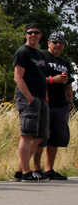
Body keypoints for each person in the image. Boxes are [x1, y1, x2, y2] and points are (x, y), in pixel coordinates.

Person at [13, 23, 50, 182]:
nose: (33, 35)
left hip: (42, 99)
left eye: (36, 32)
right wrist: (29, 98)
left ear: (41, 35)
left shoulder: (41, 54)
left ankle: (20, 170)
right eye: (30, 32)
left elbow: (42, 78)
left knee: (41, 136)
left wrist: (45, 98)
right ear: (26, 34)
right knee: (27, 135)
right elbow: (18, 77)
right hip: (28, 98)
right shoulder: (22, 52)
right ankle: (26, 173)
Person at [32, 31, 72, 180]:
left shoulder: (65, 63)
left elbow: (68, 85)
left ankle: (49, 170)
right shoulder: (41, 57)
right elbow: (36, 78)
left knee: (56, 138)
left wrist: (69, 102)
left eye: (61, 43)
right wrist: (52, 80)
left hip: (61, 105)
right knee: (41, 137)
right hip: (44, 103)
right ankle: (37, 169)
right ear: (48, 43)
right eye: (55, 42)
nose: (58, 45)